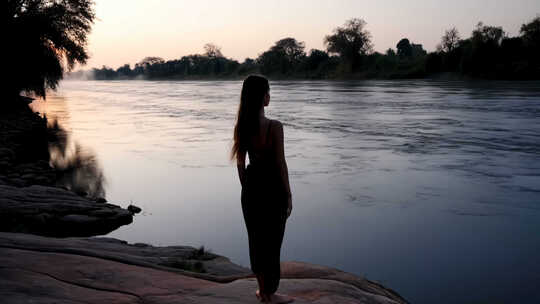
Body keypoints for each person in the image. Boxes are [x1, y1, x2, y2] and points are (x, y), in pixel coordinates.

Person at [231, 75, 294, 303]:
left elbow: (240, 164)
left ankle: (262, 290)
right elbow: (280, 163)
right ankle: (271, 293)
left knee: (256, 240)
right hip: (273, 188)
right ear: (263, 97)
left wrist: (247, 189)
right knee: (273, 242)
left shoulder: (242, 127)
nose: (270, 96)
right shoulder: (274, 127)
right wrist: (288, 194)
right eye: (268, 92)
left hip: (251, 188)